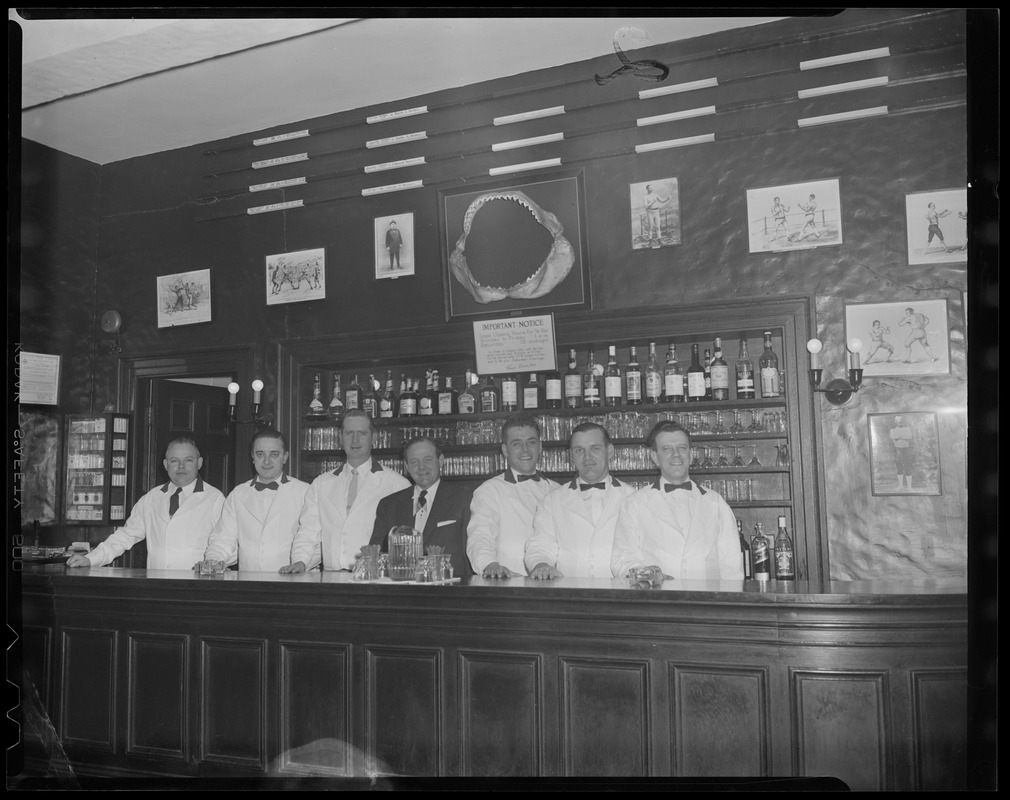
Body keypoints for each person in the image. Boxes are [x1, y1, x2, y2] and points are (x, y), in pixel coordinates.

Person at [611, 420, 743, 581]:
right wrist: (647, 576)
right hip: (657, 601)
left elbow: (732, 566)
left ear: (691, 454)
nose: (676, 455)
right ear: (655, 457)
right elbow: (622, 559)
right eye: (667, 449)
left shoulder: (716, 502)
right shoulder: (634, 504)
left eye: (682, 448)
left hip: (707, 602)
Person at [282, 409, 409, 573]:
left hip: (375, 578)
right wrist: (300, 561)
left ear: (373, 438)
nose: (355, 439)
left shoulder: (397, 484)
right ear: (340, 438)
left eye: (362, 433)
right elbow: (308, 531)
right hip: (331, 578)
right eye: (349, 433)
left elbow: (404, 541)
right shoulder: (321, 483)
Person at [67, 438, 225, 570]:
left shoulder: (215, 499)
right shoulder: (151, 498)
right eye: (174, 461)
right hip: (156, 587)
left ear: (199, 463)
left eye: (188, 460)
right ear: (165, 465)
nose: (181, 466)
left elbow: (226, 543)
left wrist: (214, 565)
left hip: (197, 587)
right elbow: (125, 536)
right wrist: (90, 559)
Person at [524, 422, 635, 579]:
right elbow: (540, 545)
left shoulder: (633, 498)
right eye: (579, 450)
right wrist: (541, 564)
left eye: (595, 449)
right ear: (572, 455)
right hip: (571, 596)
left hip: (620, 596)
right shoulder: (552, 500)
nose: (587, 457)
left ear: (609, 451)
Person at [199, 428, 310, 572]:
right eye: (260, 454)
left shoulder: (304, 491)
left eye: (274, 454)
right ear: (252, 457)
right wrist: (213, 562)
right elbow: (223, 538)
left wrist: (302, 563)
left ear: (285, 457)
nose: (266, 461)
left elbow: (313, 538)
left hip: (293, 584)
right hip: (249, 583)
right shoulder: (238, 493)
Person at [466, 412, 560, 579]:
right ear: (505, 450)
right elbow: (480, 536)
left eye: (531, 442)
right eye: (517, 444)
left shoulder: (558, 490)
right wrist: (489, 564)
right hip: (509, 586)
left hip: (555, 586)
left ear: (540, 447)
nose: (525, 450)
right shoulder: (490, 490)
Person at [369, 435, 474, 578]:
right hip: (401, 593)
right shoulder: (389, 504)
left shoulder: (464, 499)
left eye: (428, 460)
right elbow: (377, 554)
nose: (421, 467)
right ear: (406, 466)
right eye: (414, 462)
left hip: (450, 591)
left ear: (441, 460)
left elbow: (473, 551)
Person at [888, 415, 915, 491]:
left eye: (901, 419)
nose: (900, 421)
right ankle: (900, 486)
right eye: (898, 420)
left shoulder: (907, 429)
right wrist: (903, 436)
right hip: (898, 450)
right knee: (899, 468)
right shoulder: (892, 430)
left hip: (907, 450)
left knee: (908, 467)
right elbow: (894, 437)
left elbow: (909, 437)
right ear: (895, 422)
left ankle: (909, 487)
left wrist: (899, 436)